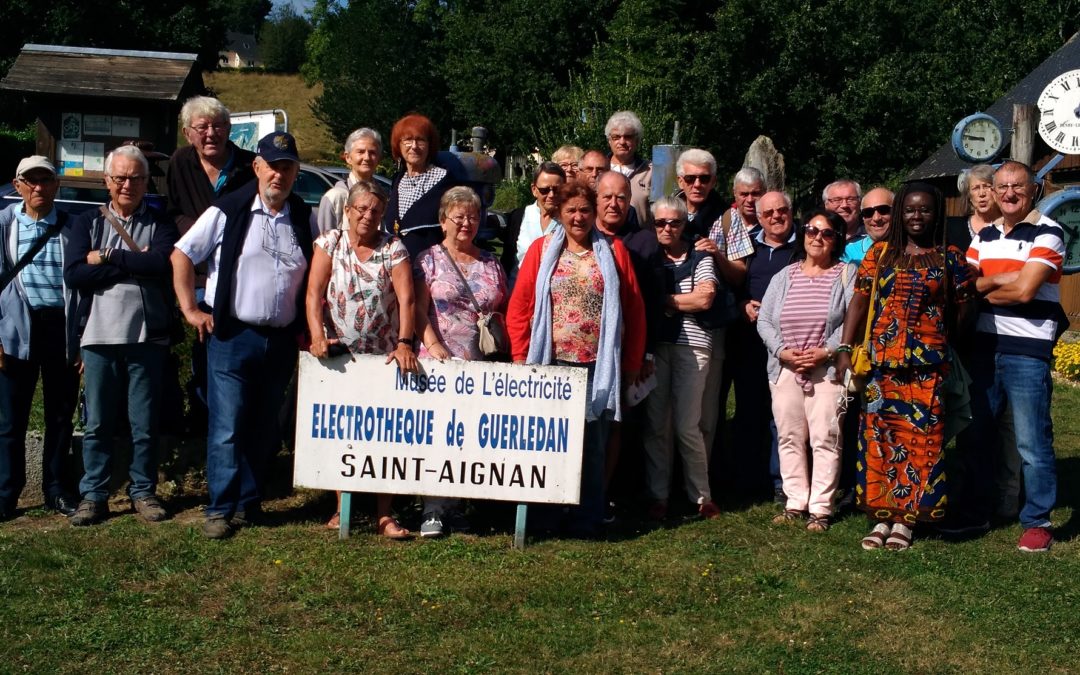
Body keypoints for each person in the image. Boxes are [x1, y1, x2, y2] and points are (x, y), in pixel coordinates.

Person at [172, 132, 314, 540]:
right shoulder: (229, 210)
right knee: (228, 425)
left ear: (295, 172)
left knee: (264, 426)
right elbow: (182, 253)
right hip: (233, 336)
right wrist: (190, 310)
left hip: (281, 340)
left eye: (287, 167)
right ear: (257, 167)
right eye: (272, 166)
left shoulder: (303, 215)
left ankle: (248, 504)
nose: (279, 174)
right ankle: (219, 509)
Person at [836, 182, 976, 551]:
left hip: (927, 369)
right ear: (901, 214)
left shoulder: (950, 259)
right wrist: (844, 348)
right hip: (883, 367)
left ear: (936, 214)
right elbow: (860, 301)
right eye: (910, 209)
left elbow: (964, 309)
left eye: (925, 210)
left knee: (922, 445)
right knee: (880, 441)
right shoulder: (880, 255)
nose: (917, 216)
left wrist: (944, 342)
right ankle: (881, 517)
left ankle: (907, 520)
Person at [507, 182, 645, 537]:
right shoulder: (541, 251)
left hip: (597, 366)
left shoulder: (613, 251)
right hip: (551, 364)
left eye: (585, 209)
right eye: (571, 211)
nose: (579, 217)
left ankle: (588, 516)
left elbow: (633, 310)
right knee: (549, 442)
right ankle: (546, 515)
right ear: (559, 214)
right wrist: (522, 356)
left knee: (593, 445)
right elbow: (521, 307)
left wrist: (630, 363)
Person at [64, 146, 180, 526]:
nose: (127, 184)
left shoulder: (161, 224)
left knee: (143, 422)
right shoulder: (86, 222)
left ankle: (143, 491)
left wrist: (109, 257)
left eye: (135, 178)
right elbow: (76, 275)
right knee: (97, 422)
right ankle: (93, 495)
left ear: (147, 182)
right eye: (120, 178)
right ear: (107, 181)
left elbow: (160, 263)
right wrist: (135, 263)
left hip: (146, 337)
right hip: (97, 336)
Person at [307, 180, 418, 538]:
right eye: (361, 209)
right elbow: (313, 295)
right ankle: (344, 507)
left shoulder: (394, 248)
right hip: (340, 357)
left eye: (375, 210)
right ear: (348, 211)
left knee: (386, 434)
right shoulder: (329, 243)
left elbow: (407, 300)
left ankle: (385, 514)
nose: (368, 216)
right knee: (343, 431)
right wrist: (316, 336)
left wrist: (404, 343)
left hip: (384, 356)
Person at [963, 161, 1065, 553]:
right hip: (984, 348)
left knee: (1031, 441)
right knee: (978, 432)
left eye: (1016, 187)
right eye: (1001, 186)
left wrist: (983, 288)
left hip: (1027, 351)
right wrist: (1006, 278)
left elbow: (1025, 293)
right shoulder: (984, 235)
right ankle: (979, 509)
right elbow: (964, 287)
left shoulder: (1049, 232)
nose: (1007, 194)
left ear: (1033, 189)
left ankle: (1037, 520)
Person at [414, 186, 509, 537]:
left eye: (472, 216)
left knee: (468, 435)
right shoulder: (428, 260)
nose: (466, 223)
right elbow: (416, 309)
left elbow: (501, 308)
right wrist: (433, 342)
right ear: (443, 222)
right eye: (458, 216)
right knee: (438, 434)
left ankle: (457, 507)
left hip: (479, 363)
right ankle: (432, 509)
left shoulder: (491, 262)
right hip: (439, 361)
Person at [757, 209, 853, 532]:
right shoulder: (785, 276)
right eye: (812, 230)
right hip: (786, 367)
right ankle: (795, 501)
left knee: (826, 436)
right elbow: (765, 320)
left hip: (826, 369)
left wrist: (826, 351)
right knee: (789, 435)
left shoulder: (846, 274)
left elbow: (853, 323)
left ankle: (821, 508)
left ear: (836, 240)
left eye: (826, 233)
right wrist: (783, 352)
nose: (817, 237)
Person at [166, 96, 257, 435]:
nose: (210, 134)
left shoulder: (250, 166)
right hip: (198, 271)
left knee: (235, 345)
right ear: (187, 132)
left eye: (218, 126)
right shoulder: (180, 163)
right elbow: (172, 210)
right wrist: (198, 235)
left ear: (229, 129)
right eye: (201, 127)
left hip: (237, 273)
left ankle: (238, 423)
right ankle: (204, 418)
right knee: (204, 346)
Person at [0, 156, 80, 519]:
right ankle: (6, 492)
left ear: (55, 185)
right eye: (30, 181)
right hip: (16, 328)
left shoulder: (72, 227)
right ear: (17, 186)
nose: (38, 188)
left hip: (59, 329)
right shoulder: (2, 225)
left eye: (45, 181)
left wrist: (80, 340)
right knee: (9, 419)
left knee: (61, 416)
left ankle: (56, 488)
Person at [641, 197, 721, 520]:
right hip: (657, 345)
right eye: (660, 223)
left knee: (689, 425)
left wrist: (664, 301)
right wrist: (680, 301)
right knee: (656, 424)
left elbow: (704, 298)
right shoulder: (649, 257)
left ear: (684, 224)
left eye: (674, 222)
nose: (667, 228)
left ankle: (701, 497)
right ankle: (658, 496)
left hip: (694, 344)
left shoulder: (701, 254)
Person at [729, 190, 797, 504]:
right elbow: (732, 286)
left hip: (790, 347)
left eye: (781, 210)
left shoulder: (803, 248)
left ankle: (782, 481)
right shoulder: (748, 250)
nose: (775, 217)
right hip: (751, 345)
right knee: (749, 411)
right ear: (758, 217)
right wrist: (742, 305)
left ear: (791, 211)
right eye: (768, 213)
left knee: (784, 416)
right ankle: (748, 479)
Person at [383, 114, 455, 259]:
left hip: (430, 268)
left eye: (421, 140)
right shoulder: (398, 180)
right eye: (408, 140)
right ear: (398, 145)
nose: (414, 146)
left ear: (430, 145)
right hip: (395, 268)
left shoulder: (445, 181)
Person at [500, 162, 566, 279]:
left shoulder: (570, 221)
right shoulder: (519, 217)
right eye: (545, 190)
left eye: (557, 189)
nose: (551, 195)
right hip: (518, 290)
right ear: (534, 189)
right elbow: (507, 259)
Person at [316, 127, 383, 234]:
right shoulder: (335, 197)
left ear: (379, 158)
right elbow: (323, 244)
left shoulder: (382, 197)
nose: (367, 157)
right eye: (360, 152)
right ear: (348, 157)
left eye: (372, 153)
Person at [605, 111, 652, 226]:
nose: (622, 142)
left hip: (640, 240)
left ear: (637, 140)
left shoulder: (651, 171)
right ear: (609, 141)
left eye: (628, 137)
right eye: (616, 137)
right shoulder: (598, 169)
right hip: (603, 239)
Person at [674, 149, 724, 241]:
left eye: (704, 178)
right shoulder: (664, 214)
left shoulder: (728, 217)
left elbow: (741, 256)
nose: (697, 184)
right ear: (680, 182)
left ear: (713, 182)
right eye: (690, 178)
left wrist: (716, 254)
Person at [843, 187, 894, 264]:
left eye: (883, 210)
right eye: (868, 212)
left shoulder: (913, 249)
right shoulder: (848, 254)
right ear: (863, 217)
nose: (876, 218)